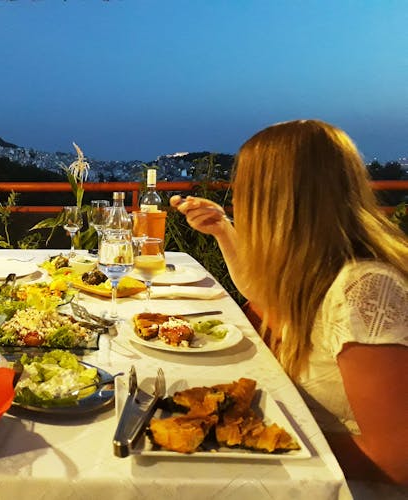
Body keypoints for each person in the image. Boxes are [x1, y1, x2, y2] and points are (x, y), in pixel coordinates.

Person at [170, 120, 408, 486]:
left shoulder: (366, 290)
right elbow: (261, 294)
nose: (235, 200)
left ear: (278, 197)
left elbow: (395, 460)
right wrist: (223, 230)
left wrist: (253, 436)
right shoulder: (312, 268)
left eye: (245, 188)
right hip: (294, 465)